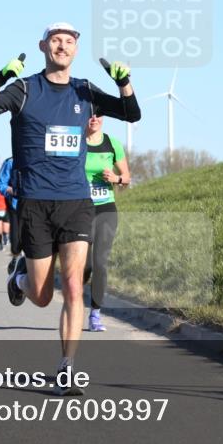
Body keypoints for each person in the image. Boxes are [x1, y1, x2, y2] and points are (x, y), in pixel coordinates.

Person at [0, 22, 140, 395]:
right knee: (43, 295)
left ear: (75, 49)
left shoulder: (85, 89)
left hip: (76, 201)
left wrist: (123, 83)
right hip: (35, 203)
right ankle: (20, 279)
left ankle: (67, 367)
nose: (62, 47)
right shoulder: (25, 89)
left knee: (74, 286)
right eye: (56, 41)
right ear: (44, 45)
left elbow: (132, 114)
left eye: (69, 41)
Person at [83, 107, 130, 332]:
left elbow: (127, 177)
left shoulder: (113, 143)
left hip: (106, 209)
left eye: (99, 116)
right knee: (85, 266)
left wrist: (116, 177)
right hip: (80, 209)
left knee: (100, 262)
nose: (95, 119)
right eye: (91, 115)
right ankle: (76, 295)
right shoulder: (77, 142)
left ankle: (95, 313)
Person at [0, 157, 22, 273]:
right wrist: (14, 190)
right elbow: (1, 184)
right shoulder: (10, 162)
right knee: (16, 242)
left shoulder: (38, 159)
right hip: (16, 206)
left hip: (36, 206)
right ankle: (15, 259)